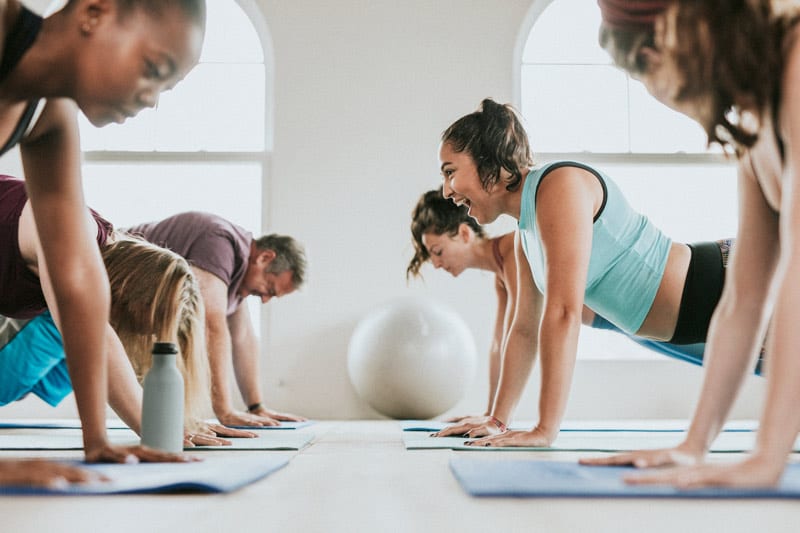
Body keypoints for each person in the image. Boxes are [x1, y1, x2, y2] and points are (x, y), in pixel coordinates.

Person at [433, 98, 754, 445]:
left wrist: (544, 430)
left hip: (727, 279)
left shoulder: (558, 185)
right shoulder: (524, 235)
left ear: (486, 160)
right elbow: (524, 329)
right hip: (710, 310)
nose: (446, 190)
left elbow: (564, 312)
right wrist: (497, 419)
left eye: (450, 171)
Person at [578, 0, 800, 489]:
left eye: (642, 72)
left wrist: (768, 457)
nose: (654, 91)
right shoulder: (752, 120)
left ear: (666, 44)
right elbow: (743, 299)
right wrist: (692, 445)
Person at [0, 0, 206, 478]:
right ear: (95, 12)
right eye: (153, 70)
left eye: (166, 88)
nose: (151, 98)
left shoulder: (49, 112)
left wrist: (98, 441)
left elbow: (75, 274)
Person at [409, 188, 750, 426]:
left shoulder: (518, 247)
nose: (436, 264)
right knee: (750, 353)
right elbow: (502, 342)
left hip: (656, 305)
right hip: (637, 325)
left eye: (438, 251)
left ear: (465, 234)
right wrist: (489, 414)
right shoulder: (501, 272)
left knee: (758, 351)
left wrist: (498, 419)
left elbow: (525, 332)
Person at [0, 174, 253, 448]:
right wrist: (156, 429)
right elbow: (96, 340)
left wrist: (172, 420)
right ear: (136, 298)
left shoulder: (92, 251)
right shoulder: (75, 236)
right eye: (144, 326)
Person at [126, 211, 308, 427]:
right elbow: (210, 324)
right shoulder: (220, 241)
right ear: (265, 257)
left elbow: (243, 339)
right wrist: (225, 411)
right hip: (108, 280)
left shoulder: (238, 279)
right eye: (269, 287)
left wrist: (256, 407)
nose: (266, 299)